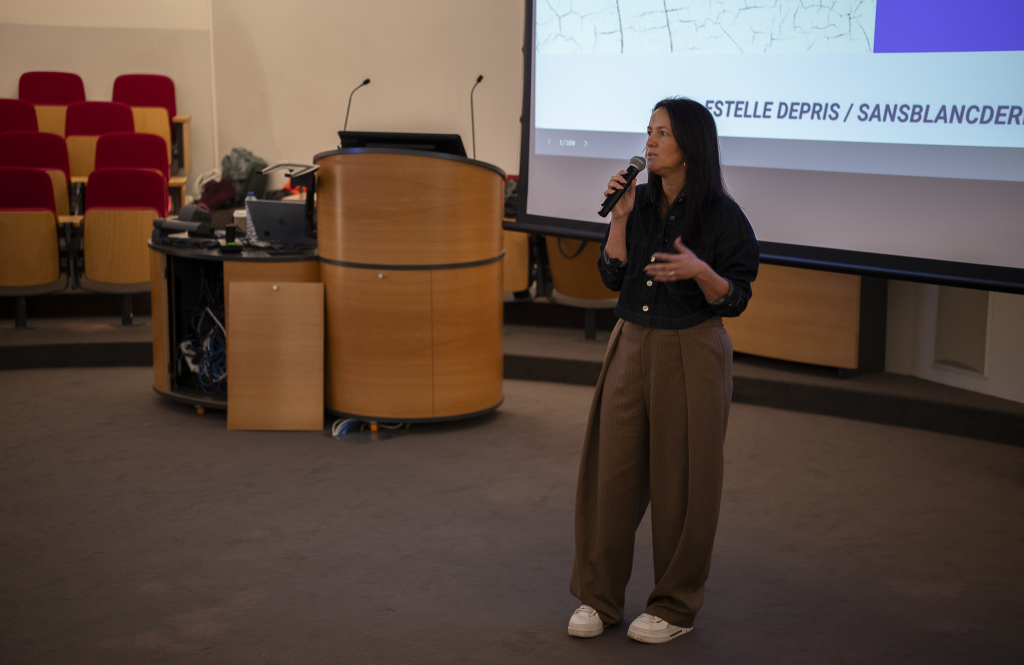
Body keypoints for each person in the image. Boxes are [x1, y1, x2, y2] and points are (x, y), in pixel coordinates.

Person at [566, 97, 759, 644]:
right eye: (648, 131)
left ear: (691, 145)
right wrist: (620, 219)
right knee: (610, 474)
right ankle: (599, 597)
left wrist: (700, 270)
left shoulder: (722, 215)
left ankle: (674, 606)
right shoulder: (638, 201)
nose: (649, 142)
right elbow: (612, 276)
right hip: (630, 340)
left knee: (683, 481)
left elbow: (737, 297)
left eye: (663, 133)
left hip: (692, 346)